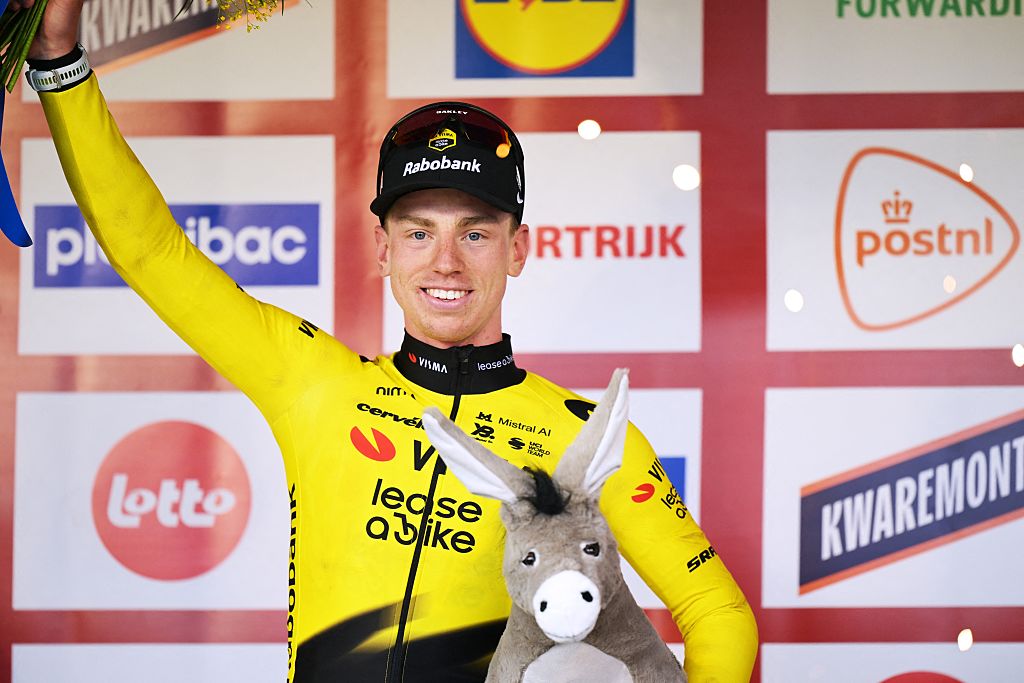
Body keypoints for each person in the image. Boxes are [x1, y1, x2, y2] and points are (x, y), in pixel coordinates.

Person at [21, 1, 759, 680]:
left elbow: (717, 612)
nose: (446, 261)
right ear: (383, 247)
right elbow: (150, 253)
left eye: (475, 232)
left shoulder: (586, 441)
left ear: (518, 249)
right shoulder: (311, 379)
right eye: (418, 233)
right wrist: (60, 62)